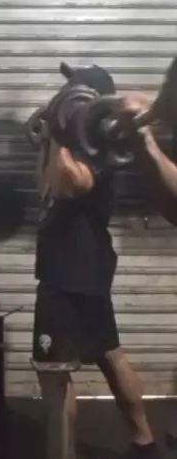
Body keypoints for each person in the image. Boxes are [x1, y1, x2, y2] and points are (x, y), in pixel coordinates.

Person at [32, 65, 161, 459]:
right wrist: (47, 141)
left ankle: (62, 453)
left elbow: (70, 186)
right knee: (109, 353)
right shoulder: (80, 142)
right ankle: (144, 441)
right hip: (81, 266)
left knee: (54, 372)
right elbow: (47, 190)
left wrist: (57, 133)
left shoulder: (97, 145)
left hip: (69, 270)